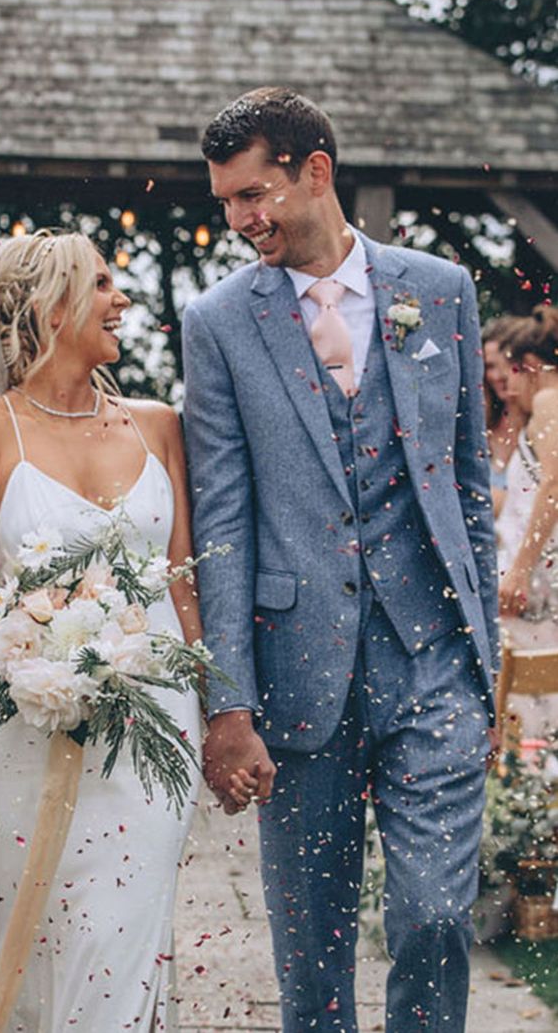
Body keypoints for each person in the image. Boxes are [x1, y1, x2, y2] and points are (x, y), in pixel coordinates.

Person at [182, 88, 499, 1033]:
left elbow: (470, 478)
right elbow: (223, 523)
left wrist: (479, 654)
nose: (240, 221)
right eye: (226, 204)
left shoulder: (439, 291)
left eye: (253, 195)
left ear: (315, 171)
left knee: (436, 916)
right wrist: (229, 703)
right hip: (297, 671)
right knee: (311, 947)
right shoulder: (218, 322)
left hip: (434, 658)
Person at [0, 229, 201, 1032]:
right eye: (105, 284)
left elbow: (184, 584)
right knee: (41, 932)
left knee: (122, 930)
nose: (123, 300)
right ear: (52, 307)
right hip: (26, 720)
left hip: (154, 720)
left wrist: (215, 706)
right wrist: (30, 657)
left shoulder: (157, 425)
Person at [497, 305, 558, 650]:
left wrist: (520, 569)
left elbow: (555, 482)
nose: (509, 388)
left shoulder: (550, 400)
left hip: (540, 577)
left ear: (531, 365)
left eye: (511, 375)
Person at [481, 316, 526, 517]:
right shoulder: (481, 426)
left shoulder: (545, 426)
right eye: (491, 366)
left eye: (508, 363)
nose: (500, 375)